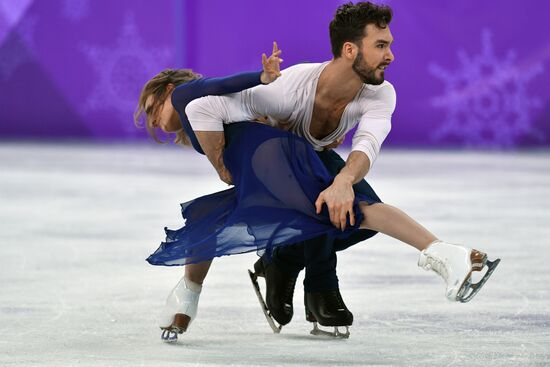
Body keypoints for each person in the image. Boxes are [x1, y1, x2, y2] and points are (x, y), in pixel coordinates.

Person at [135, 1, 500, 342]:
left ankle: (268, 269)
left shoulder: (378, 93)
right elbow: (206, 103)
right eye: (381, 45)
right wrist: (221, 162)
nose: (390, 55)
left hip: (283, 156)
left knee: (340, 210)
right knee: (342, 210)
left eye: (152, 107)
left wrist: (342, 180)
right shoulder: (283, 91)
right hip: (268, 157)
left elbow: (367, 144)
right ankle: (427, 260)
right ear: (350, 49)